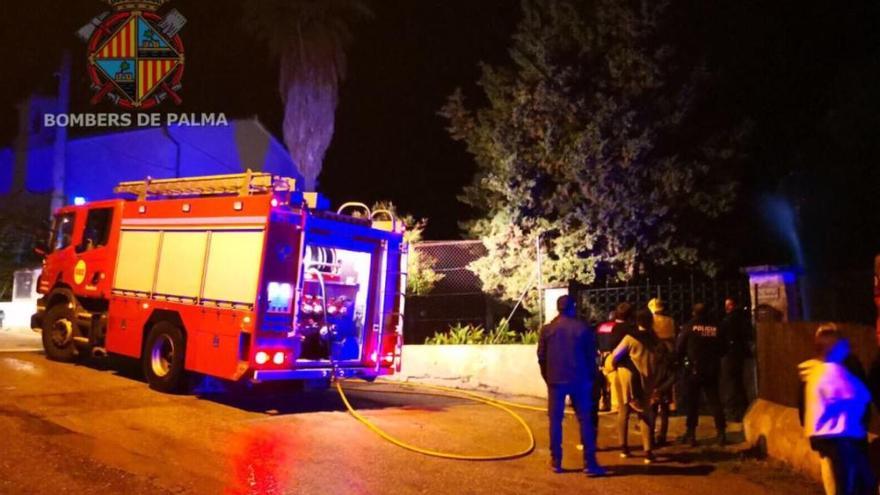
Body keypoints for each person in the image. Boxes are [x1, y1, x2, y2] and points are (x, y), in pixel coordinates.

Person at [798, 324, 874, 495]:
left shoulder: (813, 373)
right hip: (841, 436)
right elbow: (860, 396)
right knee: (854, 481)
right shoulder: (834, 372)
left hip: (823, 436)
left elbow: (804, 404)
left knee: (838, 478)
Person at [537, 295, 605, 476]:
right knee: (585, 421)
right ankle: (589, 463)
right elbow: (592, 358)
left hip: (556, 381)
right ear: (572, 308)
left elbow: (541, 358)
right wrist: (592, 379)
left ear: (558, 308)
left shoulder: (547, 330)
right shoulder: (582, 328)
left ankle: (556, 460)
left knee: (555, 421)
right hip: (580, 380)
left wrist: (548, 378)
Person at [605, 309, 674, 464]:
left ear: (637, 322)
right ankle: (648, 451)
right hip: (649, 381)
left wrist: (611, 366)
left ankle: (624, 448)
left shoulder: (630, 339)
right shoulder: (657, 341)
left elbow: (616, 356)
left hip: (629, 380)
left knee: (624, 412)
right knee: (646, 414)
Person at [677, 303, 727, 446]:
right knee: (715, 401)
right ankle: (721, 433)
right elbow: (724, 348)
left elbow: (679, 348)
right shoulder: (716, 327)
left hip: (694, 369)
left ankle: (691, 435)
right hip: (712, 368)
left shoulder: (689, 326)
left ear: (694, 312)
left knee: (692, 403)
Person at [647, 297, 676, 443]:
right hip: (668, 361)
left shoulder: (650, 322)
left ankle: (650, 435)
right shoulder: (670, 321)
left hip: (653, 362)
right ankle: (662, 435)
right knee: (665, 405)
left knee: (652, 403)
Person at [720, 297, 753, 421]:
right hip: (740, 355)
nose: (726, 307)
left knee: (731, 384)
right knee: (739, 383)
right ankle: (744, 410)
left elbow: (722, 336)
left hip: (730, 355)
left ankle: (733, 413)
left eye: (728, 305)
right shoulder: (743, 319)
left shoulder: (728, 320)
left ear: (732, 306)